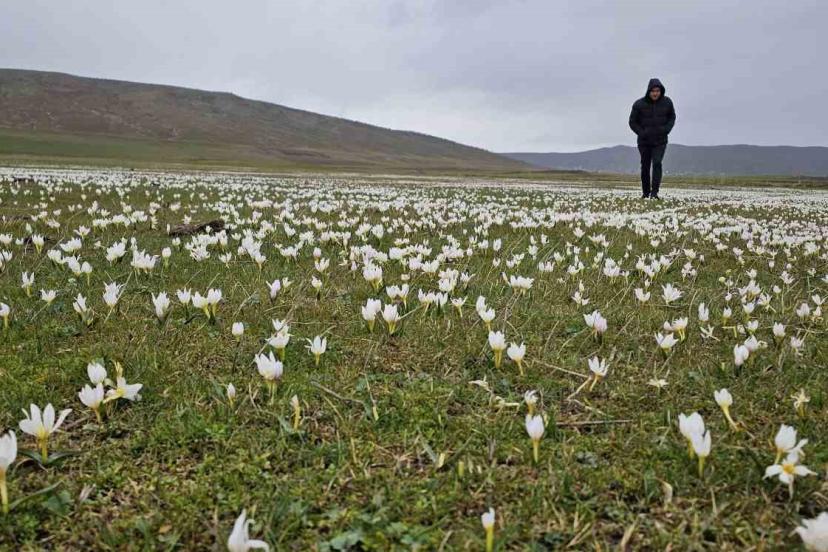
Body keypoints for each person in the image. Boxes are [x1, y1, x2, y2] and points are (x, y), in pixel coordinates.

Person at [629, 78, 676, 199]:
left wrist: (666, 130)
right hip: (644, 142)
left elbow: (672, 117)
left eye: (657, 91)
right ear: (649, 91)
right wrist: (642, 133)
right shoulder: (639, 104)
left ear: (661, 91)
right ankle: (646, 193)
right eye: (653, 91)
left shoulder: (667, 102)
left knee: (657, 163)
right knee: (645, 166)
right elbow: (632, 122)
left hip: (660, 141)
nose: (655, 93)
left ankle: (654, 193)